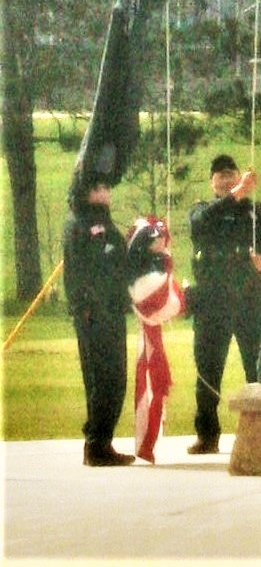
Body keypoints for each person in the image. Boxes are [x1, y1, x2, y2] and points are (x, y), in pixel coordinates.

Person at [187, 153, 261, 454]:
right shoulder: (203, 210)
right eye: (219, 175)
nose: (225, 179)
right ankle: (207, 435)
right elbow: (200, 226)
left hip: (249, 299)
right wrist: (235, 195)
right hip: (212, 301)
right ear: (212, 182)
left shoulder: (256, 214)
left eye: (230, 174)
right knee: (208, 368)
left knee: (257, 366)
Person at [62, 180, 135, 466]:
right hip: (93, 313)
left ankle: (101, 438)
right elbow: (77, 270)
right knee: (101, 378)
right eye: (101, 187)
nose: (107, 192)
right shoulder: (79, 222)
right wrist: (83, 306)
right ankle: (96, 444)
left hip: (113, 309)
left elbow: (115, 261)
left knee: (115, 378)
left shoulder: (103, 222)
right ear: (88, 191)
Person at [126, 216, 185, 463]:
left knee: (157, 382)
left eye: (162, 236)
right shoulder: (142, 276)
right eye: (154, 238)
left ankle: (149, 441)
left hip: (154, 331)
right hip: (149, 335)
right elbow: (164, 303)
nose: (161, 241)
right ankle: (146, 440)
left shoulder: (161, 265)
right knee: (151, 381)